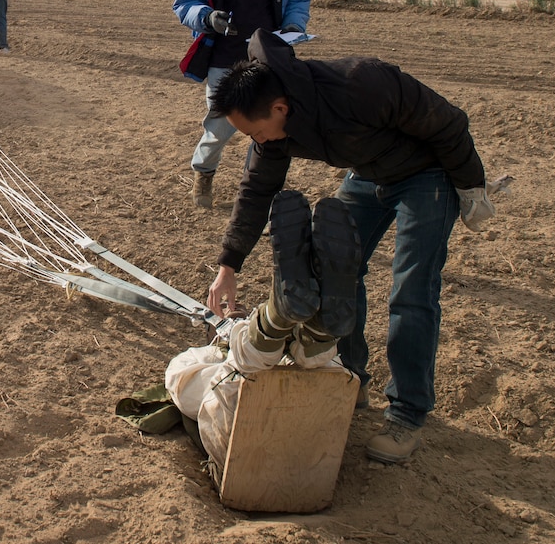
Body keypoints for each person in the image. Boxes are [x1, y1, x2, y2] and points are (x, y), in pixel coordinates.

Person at [204, 29, 497, 464]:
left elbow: (447, 121)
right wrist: (228, 264)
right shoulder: (274, 130)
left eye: (257, 131)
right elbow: (256, 189)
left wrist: (471, 185)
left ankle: (406, 414)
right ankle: (350, 376)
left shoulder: (363, 83)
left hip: (426, 175)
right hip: (368, 172)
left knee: (411, 291)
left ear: (280, 108)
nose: (257, 141)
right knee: (336, 270)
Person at [167, 190, 361, 468]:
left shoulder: (200, 357)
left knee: (187, 372)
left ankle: (277, 322)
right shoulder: (215, 352)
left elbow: (194, 387)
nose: (235, 310)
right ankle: (313, 329)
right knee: (315, 362)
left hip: (245, 435)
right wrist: (235, 332)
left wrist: (233, 331)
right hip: (314, 435)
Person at [172, 0, 310, 210]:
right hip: (223, 54)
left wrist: (293, 27)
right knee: (220, 123)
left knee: (269, 127)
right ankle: (203, 174)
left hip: (268, 54)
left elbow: (300, 0)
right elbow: (184, 2)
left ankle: (258, 191)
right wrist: (207, 17)